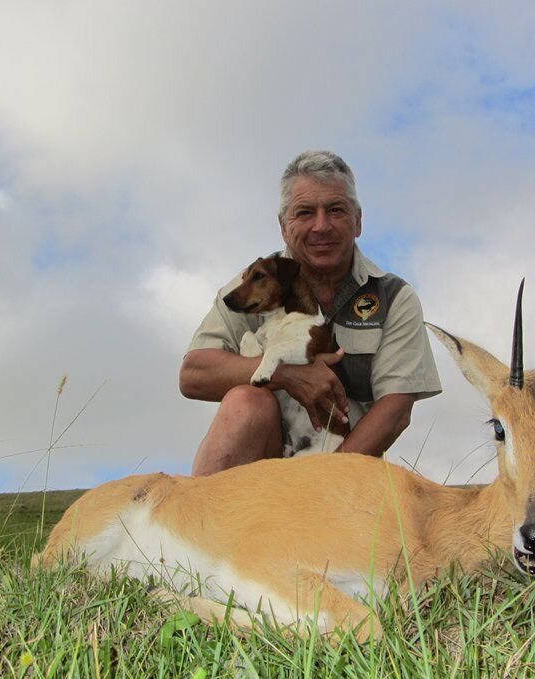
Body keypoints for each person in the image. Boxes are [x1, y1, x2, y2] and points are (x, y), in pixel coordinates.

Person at [179, 150, 441, 476]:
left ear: (357, 221)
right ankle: (202, 522)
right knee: (246, 402)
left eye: (335, 210)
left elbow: (397, 409)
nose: (321, 226)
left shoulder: (393, 297)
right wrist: (284, 374)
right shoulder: (253, 284)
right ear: (283, 226)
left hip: (340, 475)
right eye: (304, 212)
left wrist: (319, 483)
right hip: (258, 468)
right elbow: (193, 375)